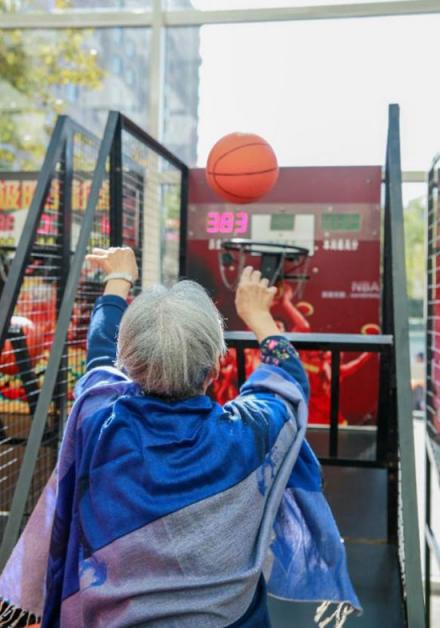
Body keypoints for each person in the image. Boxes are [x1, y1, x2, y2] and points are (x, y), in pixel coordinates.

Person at [0, 247, 360, 628]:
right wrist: (258, 315)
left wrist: (118, 278)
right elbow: (288, 378)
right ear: (216, 369)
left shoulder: (97, 417)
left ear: (128, 364)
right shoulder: (252, 433)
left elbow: (100, 344)